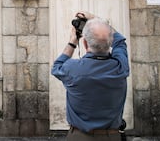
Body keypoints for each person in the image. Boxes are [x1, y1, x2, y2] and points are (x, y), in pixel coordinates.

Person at [51, 11, 129, 141]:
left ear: (85, 44)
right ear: (110, 43)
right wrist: (96, 19)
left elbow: (57, 66)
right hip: (112, 136)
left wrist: (72, 41)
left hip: (78, 136)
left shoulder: (73, 69)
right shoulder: (120, 67)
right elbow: (119, 40)